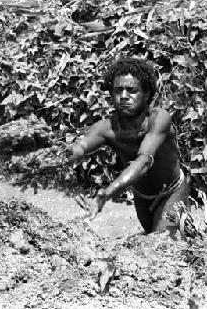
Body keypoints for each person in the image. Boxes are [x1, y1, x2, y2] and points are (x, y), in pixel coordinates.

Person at [60, 58, 189, 234]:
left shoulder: (159, 119)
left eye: (132, 90)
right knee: (149, 241)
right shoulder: (105, 129)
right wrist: (51, 157)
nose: (124, 96)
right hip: (141, 196)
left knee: (164, 245)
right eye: (118, 90)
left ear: (147, 94)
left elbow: (144, 161)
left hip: (172, 192)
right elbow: (78, 149)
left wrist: (108, 192)